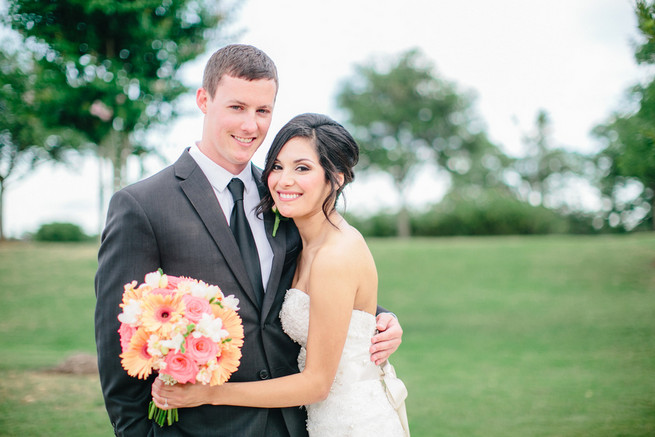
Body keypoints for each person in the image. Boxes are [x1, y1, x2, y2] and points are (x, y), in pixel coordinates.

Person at [94, 44, 403, 437]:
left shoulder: (284, 195)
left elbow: (316, 280)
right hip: (198, 428)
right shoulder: (143, 205)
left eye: (263, 111)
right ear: (204, 100)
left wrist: (377, 318)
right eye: (237, 107)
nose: (251, 125)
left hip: (295, 423)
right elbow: (117, 338)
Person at [151, 113, 410, 437]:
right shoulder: (299, 240)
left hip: (352, 424)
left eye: (302, 168)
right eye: (277, 166)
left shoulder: (335, 255)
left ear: (338, 176)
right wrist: (379, 316)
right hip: (320, 422)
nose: (284, 180)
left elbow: (316, 384)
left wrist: (208, 394)